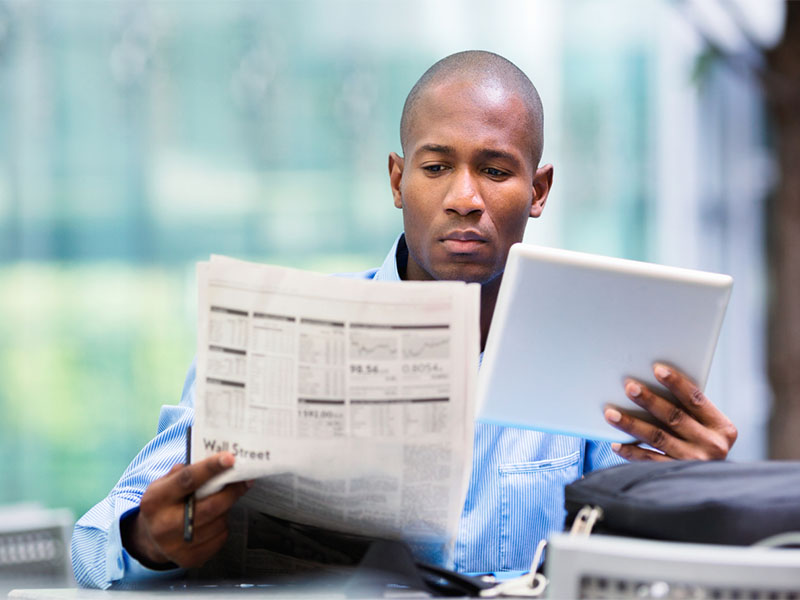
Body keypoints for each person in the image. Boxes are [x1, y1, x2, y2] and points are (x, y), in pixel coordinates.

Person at [71, 50, 738, 589]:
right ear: (397, 180)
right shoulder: (286, 331)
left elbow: (651, 573)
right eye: (436, 166)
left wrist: (699, 499)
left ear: (538, 191)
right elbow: (94, 547)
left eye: (497, 169)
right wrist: (147, 539)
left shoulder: (604, 356)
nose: (464, 198)